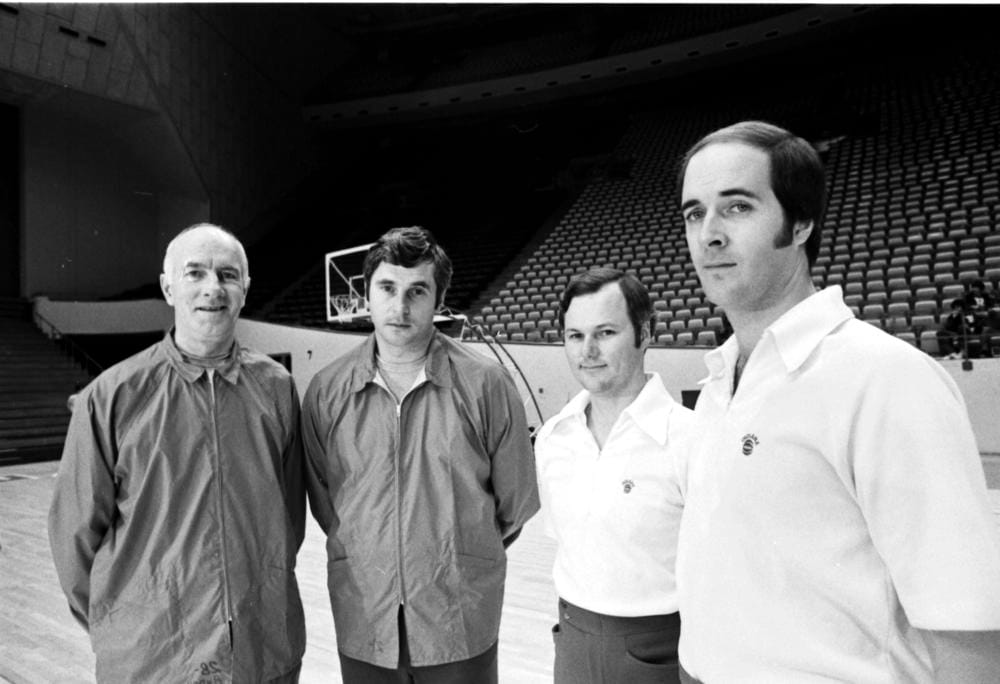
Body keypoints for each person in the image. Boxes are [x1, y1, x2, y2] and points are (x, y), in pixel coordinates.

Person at [675, 120, 1000, 683]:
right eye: (694, 213)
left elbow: (966, 629)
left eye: (737, 208)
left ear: (800, 223)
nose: (708, 235)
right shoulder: (719, 383)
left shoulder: (886, 380)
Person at [48, 223, 306, 683]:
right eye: (195, 273)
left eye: (228, 275)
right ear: (169, 288)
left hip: (262, 649)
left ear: (245, 290)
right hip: (153, 659)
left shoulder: (277, 388)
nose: (213, 288)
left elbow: (287, 520)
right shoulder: (112, 396)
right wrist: (125, 621)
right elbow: (75, 536)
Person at [301, 226, 539, 683]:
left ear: (438, 299)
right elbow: (327, 505)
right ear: (366, 295)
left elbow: (515, 505)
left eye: (417, 291)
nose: (400, 306)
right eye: (387, 288)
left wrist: (454, 553)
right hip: (364, 616)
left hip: (459, 618)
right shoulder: (326, 391)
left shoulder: (487, 385)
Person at [534, 267, 694, 683]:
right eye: (574, 335)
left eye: (605, 333)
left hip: (663, 647)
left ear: (645, 332)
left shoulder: (691, 438)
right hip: (573, 639)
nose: (587, 350)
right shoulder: (553, 438)